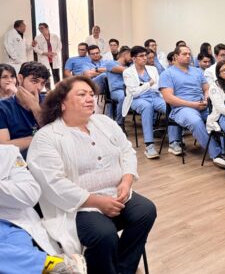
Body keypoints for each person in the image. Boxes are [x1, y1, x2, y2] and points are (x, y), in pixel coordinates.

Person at [27, 76, 157, 274]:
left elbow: (127, 151)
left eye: (91, 94)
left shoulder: (104, 122)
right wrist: (96, 201)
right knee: (104, 234)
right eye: (81, 94)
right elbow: (53, 182)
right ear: (62, 103)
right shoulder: (47, 137)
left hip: (116, 194)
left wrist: (127, 180)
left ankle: (123, 269)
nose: (90, 99)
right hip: (78, 206)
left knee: (146, 211)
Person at [0, 144, 87, 274]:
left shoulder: (7, 153)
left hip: (11, 224)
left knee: (17, 253)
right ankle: (54, 264)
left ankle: (52, 265)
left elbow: (30, 194)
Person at [160, 46, 225, 169]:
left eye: (189, 54)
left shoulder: (197, 71)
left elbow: (207, 89)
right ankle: (217, 154)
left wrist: (206, 100)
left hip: (202, 105)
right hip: (182, 108)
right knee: (196, 122)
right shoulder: (167, 74)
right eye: (184, 54)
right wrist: (193, 104)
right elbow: (168, 98)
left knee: (224, 116)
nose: (188, 56)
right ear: (175, 56)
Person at [123, 46, 169, 159]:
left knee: (169, 107)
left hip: (154, 96)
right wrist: (149, 84)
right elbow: (134, 93)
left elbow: (157, 86)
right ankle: (149, 146)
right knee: (147, 107)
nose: (145, 58)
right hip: (137, 99)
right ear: (134, 58)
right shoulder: (127, 72)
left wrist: (143, 86)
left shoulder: (152, 69)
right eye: (141, 56)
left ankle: (174, 141)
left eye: (145, 55)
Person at [0, 62, 49, 159]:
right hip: (19, 162)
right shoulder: (3, 107)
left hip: (48, 157)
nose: (39, 88)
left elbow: (57, 136)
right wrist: (40, 138)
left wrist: (35, 108)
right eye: (34, 81)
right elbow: (4, 146)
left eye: (42, 83)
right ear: (20, 78)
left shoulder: (48, 102)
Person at [106, 46, 132, 128]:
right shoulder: (111, 63)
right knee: (123, 97)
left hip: (129, 90)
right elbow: (125, 71)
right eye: (131, 56)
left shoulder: (130, 66)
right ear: (125, 54)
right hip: (116, 91)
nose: (132, 59)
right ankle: (119, 124)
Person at [33, 22, 62, 86]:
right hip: (44, 58)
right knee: (46, 76)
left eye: (42, 28)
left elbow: (59, 46)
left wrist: (55, 53)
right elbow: (35, 48)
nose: (40, 30)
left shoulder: (55, 36)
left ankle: (58, 89)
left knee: (56, 75)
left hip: (54, 57)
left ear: (47, 28)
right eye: (39, 28)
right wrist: (45, 53)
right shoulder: (37, 38)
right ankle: (48, 90)